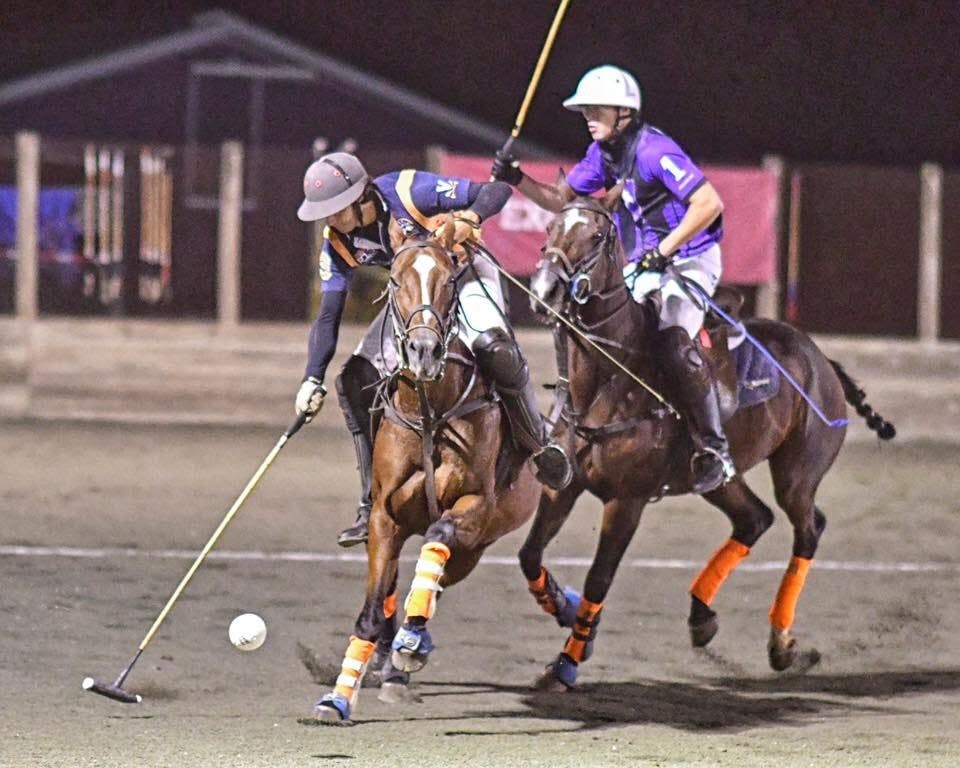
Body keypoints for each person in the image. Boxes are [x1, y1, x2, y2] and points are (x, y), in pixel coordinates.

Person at [296, 152, 573, 547]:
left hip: (464, 275)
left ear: (360, 197)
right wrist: (312, 377)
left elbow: (494, 190)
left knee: (496, 348)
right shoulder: (337, 243)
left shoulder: (408, 191)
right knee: (354, 379)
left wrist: (470, 217)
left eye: (334, 210)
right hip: (414, 296)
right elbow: (328, 316)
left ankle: (539, 447)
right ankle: (370, 501)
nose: (328, 219)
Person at [491, 65, 735, 495]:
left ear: (624, 113)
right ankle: (572, 424)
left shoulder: (654, 151)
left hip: (692, 257)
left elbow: (708, 203)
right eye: (584, 109)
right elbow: (561, 201)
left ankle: (714, 448)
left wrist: (663, 252)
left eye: (595, 109)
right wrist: (517, 178)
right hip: (645, 261)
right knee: (593, 324)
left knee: (675, 337)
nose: (587, 116)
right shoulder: (603, 153)